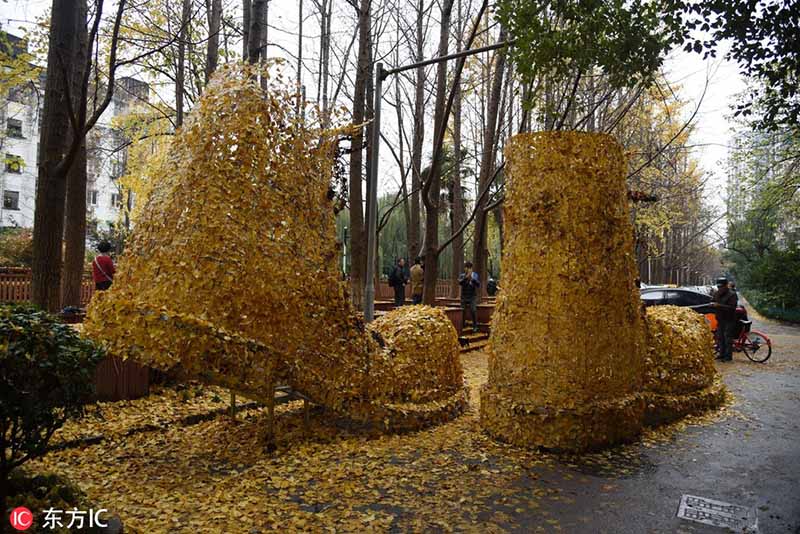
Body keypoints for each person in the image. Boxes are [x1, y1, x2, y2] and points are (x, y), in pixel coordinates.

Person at [712, 277, 738, 362]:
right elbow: (713, 301)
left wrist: (719, 306)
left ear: (726, 286)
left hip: (729, 319)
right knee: (720, 337)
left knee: (728, 338)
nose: (720, 288)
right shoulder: (717, 293)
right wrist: (712, 304)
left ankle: (728, 356)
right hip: (720, 319)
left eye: (721, 287)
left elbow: (732, 307)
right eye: (718, 287)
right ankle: (721, 354)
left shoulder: (732, 294)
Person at [459, 261, 481, 332]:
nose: (468, 269)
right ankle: (462, 325)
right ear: (464, 268)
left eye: (469, 268)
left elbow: (478, 284)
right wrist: (466, 277)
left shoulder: (475, 275)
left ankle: (475, 326)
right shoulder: (462, 275)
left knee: (473, 310)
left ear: (471, 268)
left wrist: (472, 278)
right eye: (466, 268)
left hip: (472, 297)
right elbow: (460, 282)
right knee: (462, 310)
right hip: (464, 296)